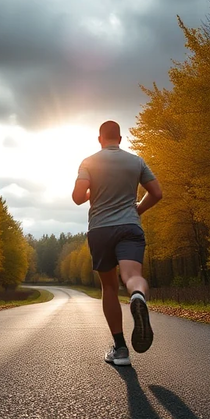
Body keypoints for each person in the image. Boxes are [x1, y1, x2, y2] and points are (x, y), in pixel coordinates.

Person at [72, 120, 163, 366]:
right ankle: (137, 297)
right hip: (129, 227)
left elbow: (78, 198)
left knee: (109, 288)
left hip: (101, 229)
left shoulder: (89, 162)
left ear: (100, 139)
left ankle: (121, 349)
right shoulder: (136, 161)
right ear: (120, 139)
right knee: (132, 276)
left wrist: (95, 190)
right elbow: (156, 193)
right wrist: (138, 210)